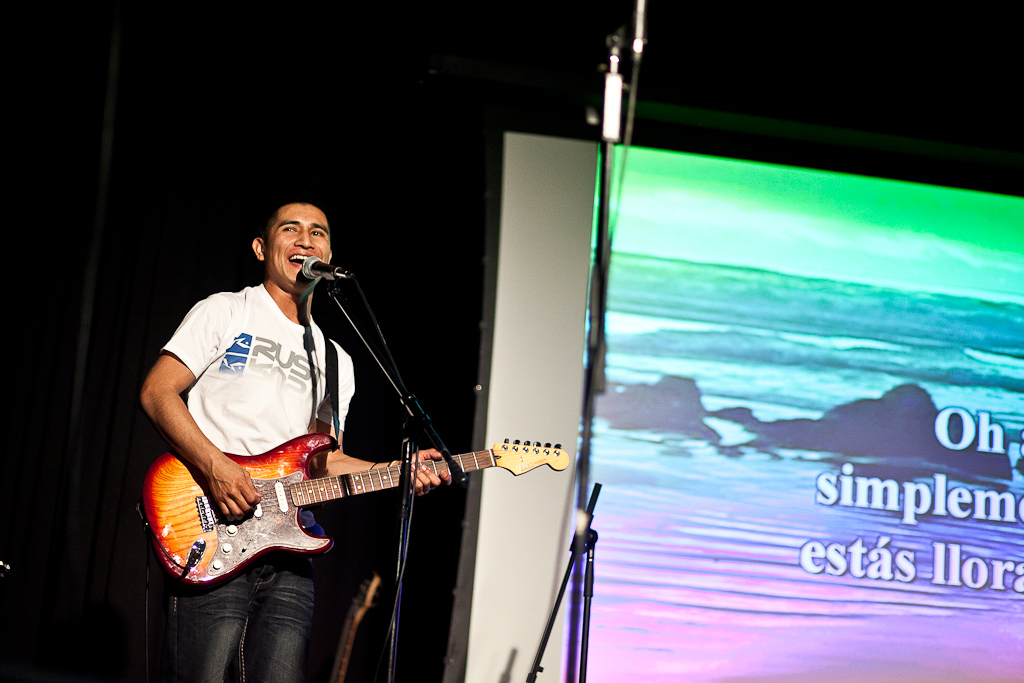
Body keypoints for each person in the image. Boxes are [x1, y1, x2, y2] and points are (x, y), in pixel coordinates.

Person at [139, 201, 449, 683]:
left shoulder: (337, 359)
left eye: (318, 233)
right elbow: (157, 393)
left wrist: (400, 468)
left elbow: (326, 461)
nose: (307, 240)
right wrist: (217, 469)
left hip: (287, 549)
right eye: (292, 229)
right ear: (263, 247)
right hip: (214, 522)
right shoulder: (226, 310)